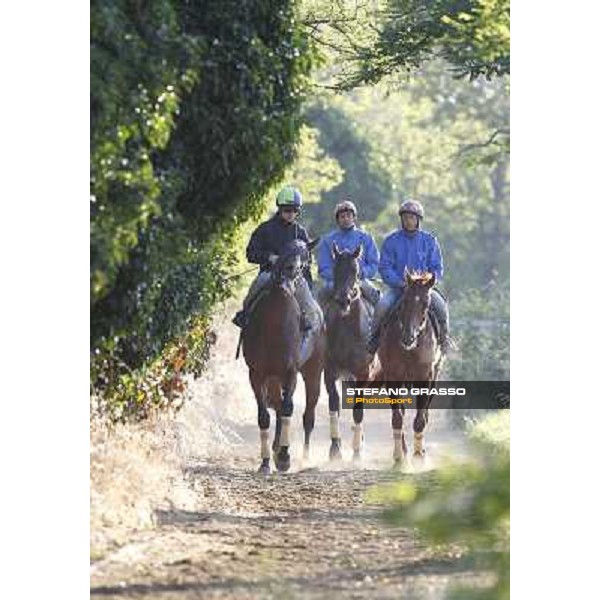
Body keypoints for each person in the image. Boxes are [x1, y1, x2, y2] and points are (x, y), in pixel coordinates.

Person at [232, 185, 323, 359]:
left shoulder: (300, 232)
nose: (291, 213)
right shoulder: (265, 229)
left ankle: (306, 343)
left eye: (294, 210)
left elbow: (307, 259)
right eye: (287, 210)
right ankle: (244, 316)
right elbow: (250, 253)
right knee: (253, 291)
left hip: (295, 278)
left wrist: (304, 273)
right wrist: (269, 257)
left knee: (312, 309)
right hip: (270, 274)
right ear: (280, 209)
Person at [366, 199, 451, 354]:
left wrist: (429, 280)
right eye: (405, 217)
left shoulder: (430, 241)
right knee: (382, 306)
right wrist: (400, 282)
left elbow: (437, 267)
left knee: (441, 306)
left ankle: (444, 340)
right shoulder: (391, 241)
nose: (408, 221)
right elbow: (385, 267)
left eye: (412, 218)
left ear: (418, 220)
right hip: (400, 288)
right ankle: (374, 339)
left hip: (423, 290)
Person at [316, 199, 381, 307]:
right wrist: (339, 277)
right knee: (320, 296)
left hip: (360, 280)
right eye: (342, 216)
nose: (346, 219)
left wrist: (362, 273)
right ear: (337, 219)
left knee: (378, 299)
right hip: (334, 282)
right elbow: (323, 267)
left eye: (348, 215)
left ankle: (378, 323)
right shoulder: (327, 240)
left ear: (354, 218)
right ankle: (316, 323)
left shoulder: (366, 238)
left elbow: (374, 263)